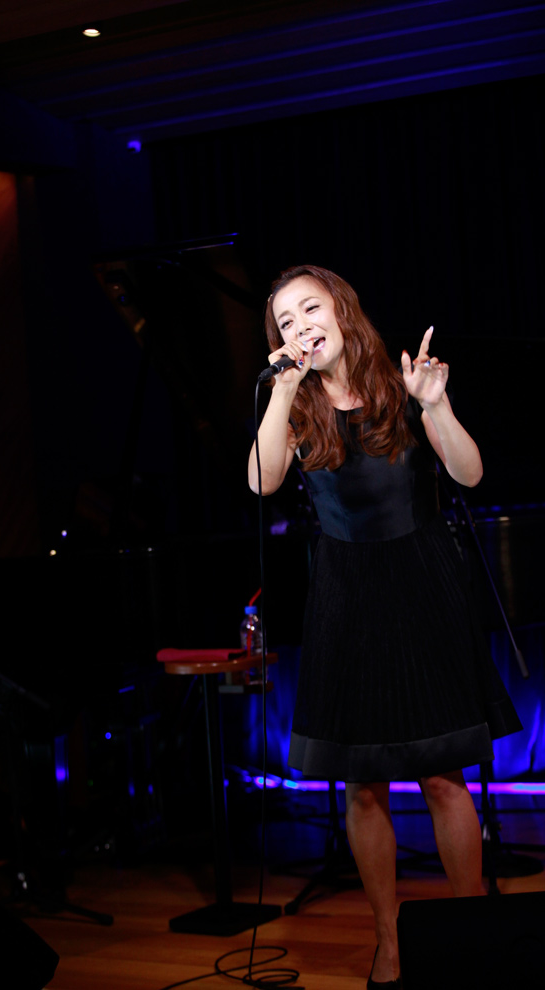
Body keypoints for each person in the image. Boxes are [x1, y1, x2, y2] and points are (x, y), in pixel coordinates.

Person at [248, 266, 521, 988]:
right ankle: (388, 941)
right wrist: (281, 391)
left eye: (310, 307)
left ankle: (472, 934)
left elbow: (469, 474)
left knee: (443, 775)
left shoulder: (404, 385)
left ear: (342, 309)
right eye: (285, 320)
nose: (301, 325)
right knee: (362, 785)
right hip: (345, 597)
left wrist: (436, 404)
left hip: (422, 585)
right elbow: (261, 480)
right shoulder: (297, 405)